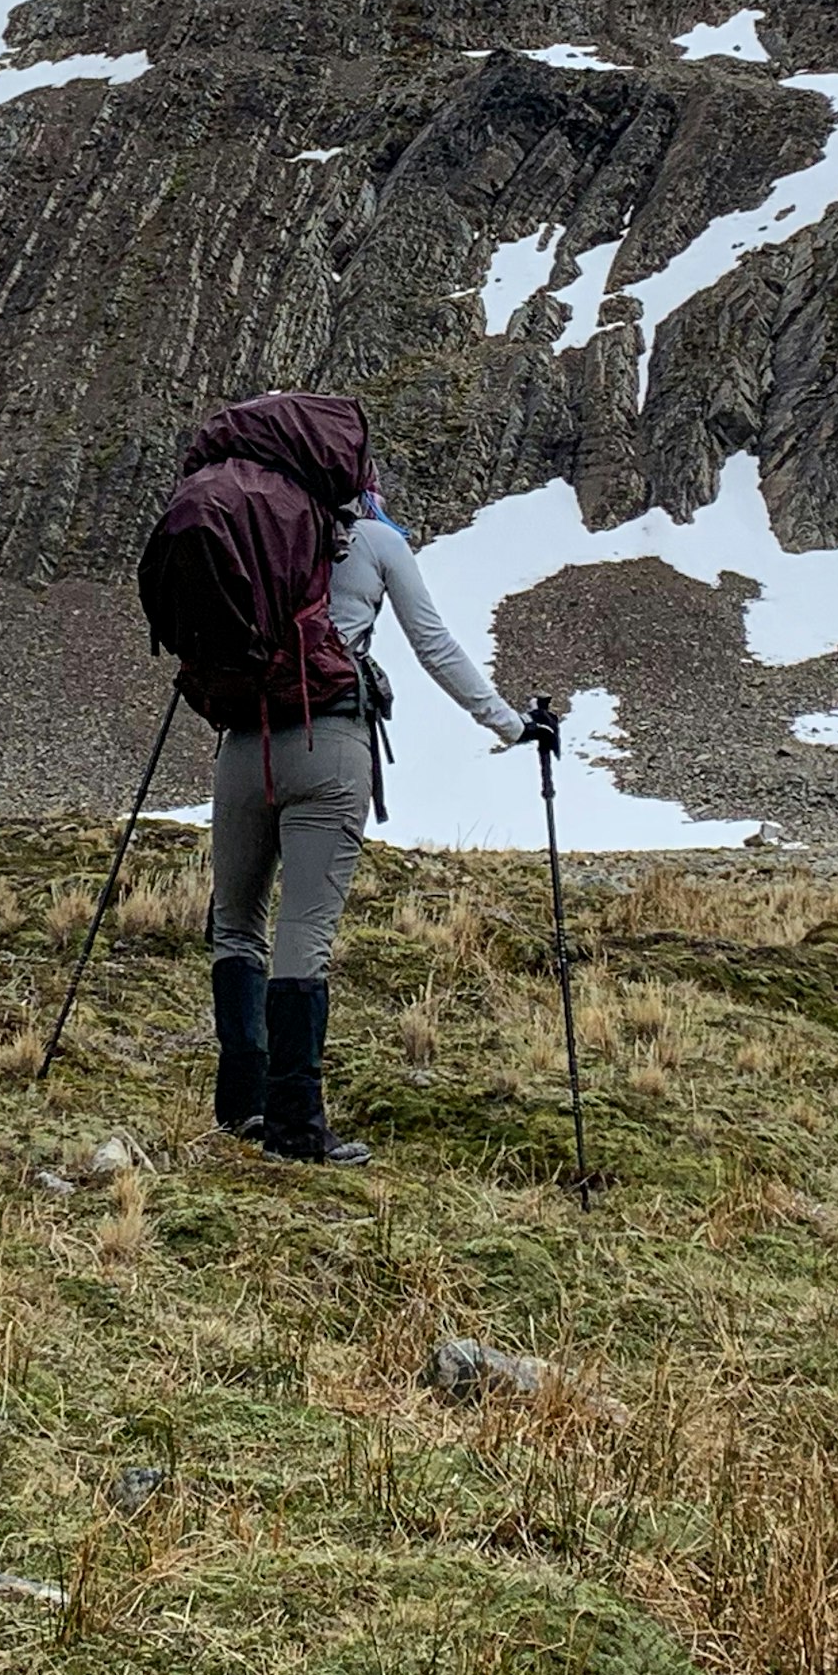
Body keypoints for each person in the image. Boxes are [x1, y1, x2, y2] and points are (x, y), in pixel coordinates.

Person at [211, 472, 536, 1164]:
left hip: (243, 742)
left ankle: (240, 1108)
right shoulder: (377, 541)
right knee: (303, 932)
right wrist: (512, 726)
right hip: (330, 742)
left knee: (236, 924)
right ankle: (295, 1126)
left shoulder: (245, 532)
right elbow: (435, 646)